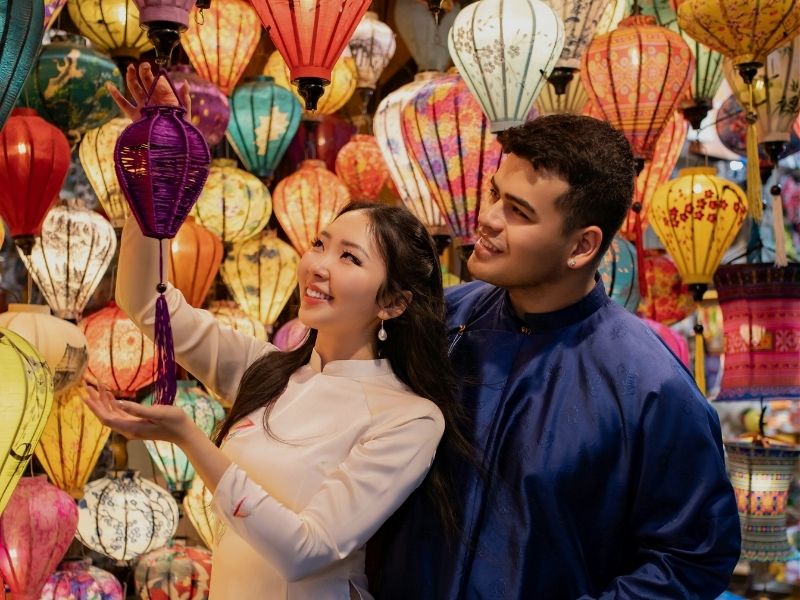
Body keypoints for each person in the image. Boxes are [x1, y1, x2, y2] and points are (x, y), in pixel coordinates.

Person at [84, 63, 466, 600]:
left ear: (394, 303)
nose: (318, 266)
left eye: (349, 257)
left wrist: (190, 438)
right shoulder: (265, 370)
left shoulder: (408, 418)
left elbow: (304, 550)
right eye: (319, 244)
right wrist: (149, 180)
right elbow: (147, 301)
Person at [372, 114, 742, 599]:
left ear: (582, 245)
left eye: (519, 211)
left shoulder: (650, 384)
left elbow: (693, 556)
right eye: (494, 194)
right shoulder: (439, 321)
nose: (488, 218)